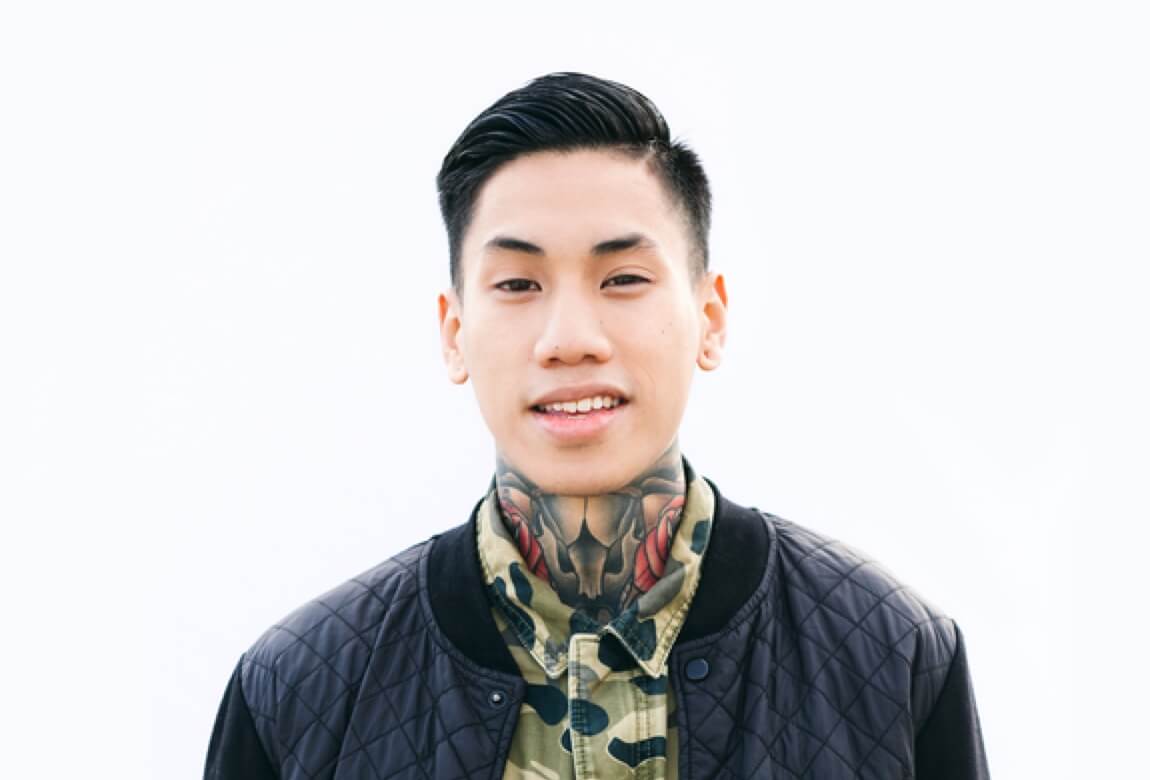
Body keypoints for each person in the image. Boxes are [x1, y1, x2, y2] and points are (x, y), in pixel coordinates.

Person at [204, 72, 990, 779]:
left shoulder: (889, 656)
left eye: (623, 278)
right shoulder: (299, 693)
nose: (570, 338)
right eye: (518, 283)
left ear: (710, 318)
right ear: (454, 333)